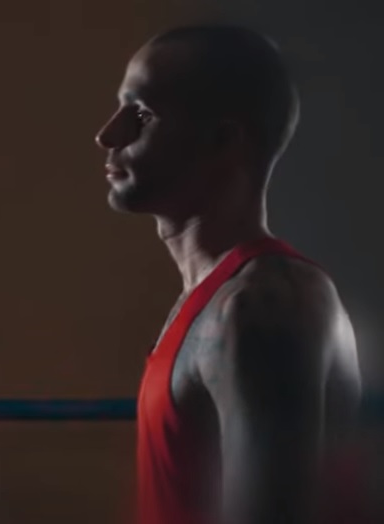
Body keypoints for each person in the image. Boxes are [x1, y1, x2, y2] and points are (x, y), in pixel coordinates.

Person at [95, 25, 364, 524]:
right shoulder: (217, 298)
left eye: (143, 115)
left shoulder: (262, 304)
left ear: (223, 141)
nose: (108, 135)